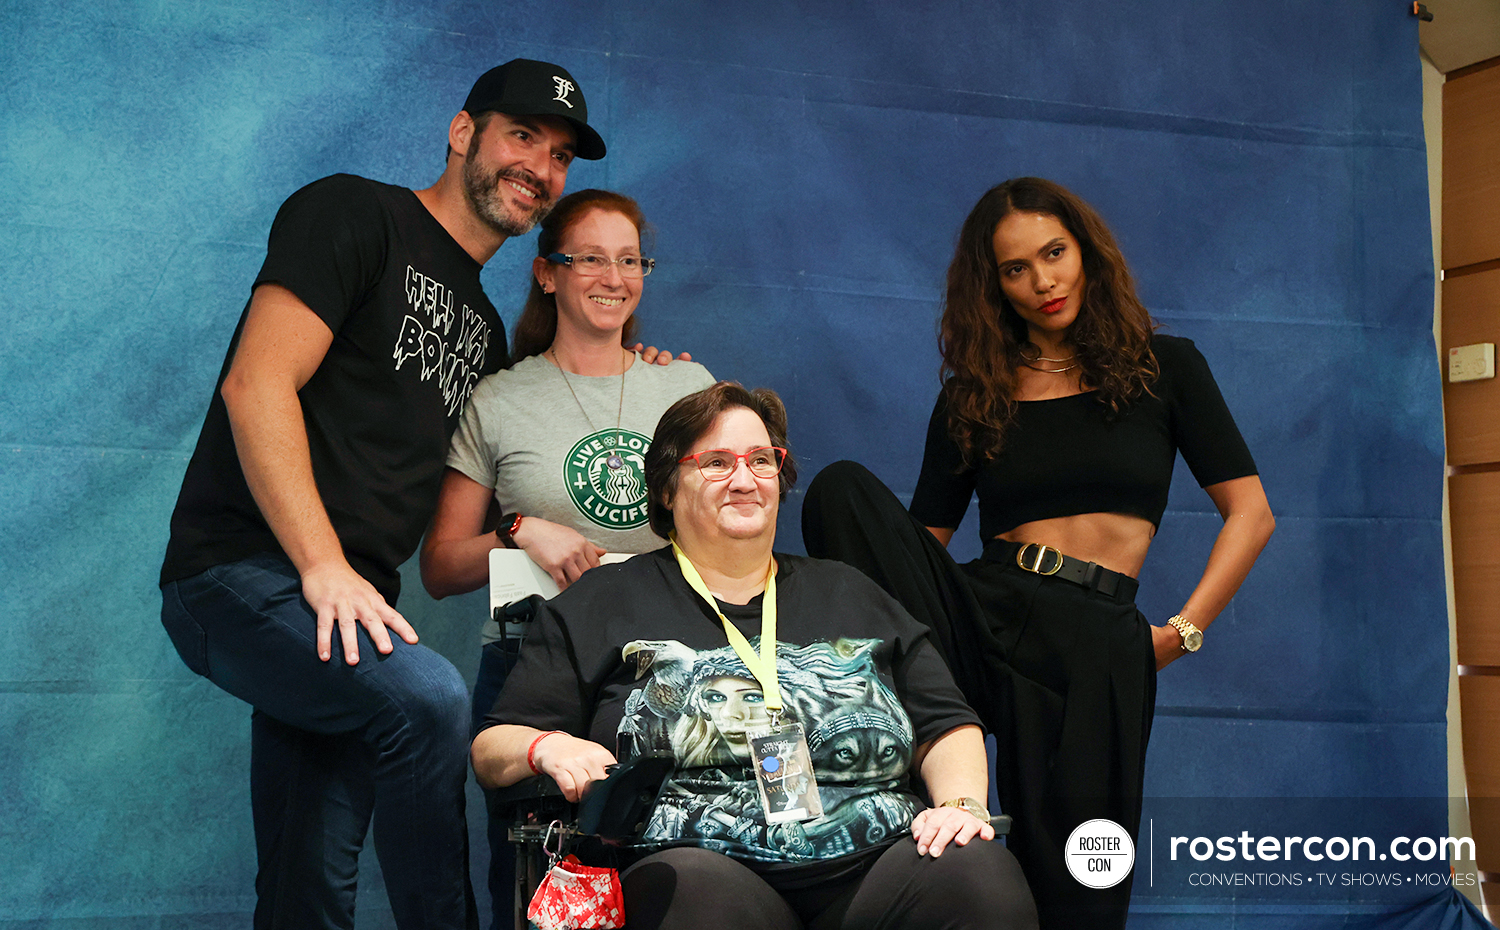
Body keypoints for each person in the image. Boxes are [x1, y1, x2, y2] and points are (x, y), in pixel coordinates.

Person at [157, 59, 655, 929]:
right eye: (522, 135)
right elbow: (256, 385)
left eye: (562, 153)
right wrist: (322, 567)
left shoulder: (487, 331)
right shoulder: (355, 213)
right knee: (427, 699)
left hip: (349, 614)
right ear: (464, 133)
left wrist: (635, 382)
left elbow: (482, 484)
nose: (540, 165)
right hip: (244, 577)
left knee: (307, 879)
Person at [801, 177, 1275, 929]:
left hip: (1095, 637)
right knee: (840, 492)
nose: (1042, 281)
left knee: (1081, 882)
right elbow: (921, 549)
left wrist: (1179, 634)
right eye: (1015, 269)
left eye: (1054, 254)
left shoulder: (1167, 367)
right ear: (994, 285)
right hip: (986, 613)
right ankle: (868, 705)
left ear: (1086, 252)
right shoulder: (973, 393)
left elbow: (1251, 515)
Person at [472, 383, 1038, 930]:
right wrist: (548, 745)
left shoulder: (849, 591)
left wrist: (962, 805)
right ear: (668, 489)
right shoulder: (602, 603)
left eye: (762, 461)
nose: (745, 480)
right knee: (694, 895)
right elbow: (491, 748)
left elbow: (945, 723)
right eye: (717, 462)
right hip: (701, 865)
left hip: (874, 861)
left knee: (978, 871)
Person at [419, 187, 714, 929]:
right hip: (532, 671)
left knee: (679, 879)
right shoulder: (498, 399)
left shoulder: (685, 386)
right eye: (590, 258)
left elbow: (731, 526)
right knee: (537, 893)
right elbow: (441, 564)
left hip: (672, 668)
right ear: (547, 273)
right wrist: (519, 528)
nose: (614, 277)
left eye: (630, 260)